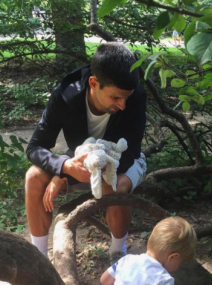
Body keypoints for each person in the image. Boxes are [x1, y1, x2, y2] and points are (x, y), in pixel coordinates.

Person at [25, 42, 147, 264]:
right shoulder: (65, 95)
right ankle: (39, 260)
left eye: (126, 98)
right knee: (33, 177)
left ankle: (118, 253)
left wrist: (63, 175)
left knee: (114, 185)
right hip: (80, 160)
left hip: (125, 162)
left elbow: (130, 152)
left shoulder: (135, 96)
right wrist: (63, 167)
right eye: (115, 98)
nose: (123, 105)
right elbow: (34, 147)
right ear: (93, 83)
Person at [100, 216, 197, 285]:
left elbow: (104, 280)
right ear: (172, 257)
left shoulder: (126, 260)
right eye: (179, 263)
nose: (178, 267)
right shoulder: (164, 280)